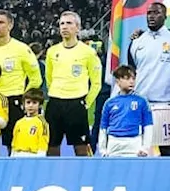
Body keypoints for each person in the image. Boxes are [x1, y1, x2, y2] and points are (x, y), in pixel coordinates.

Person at [127, 2, 170, 156]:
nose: (151, 16)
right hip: (141, 104)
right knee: (138, 149)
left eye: (156, 13)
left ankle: (168, 180)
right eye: (149, 13)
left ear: (165, 16)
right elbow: (132, 72)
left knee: (166, 150)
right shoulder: (137, 42)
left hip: (164, 105)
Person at [0, 9, 43, 152]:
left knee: (13, 144)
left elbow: (36, 79)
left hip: (13, 101)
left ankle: (15, 172)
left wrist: (24, 98)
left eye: (0, 22)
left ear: (10, 25)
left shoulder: (22, 49)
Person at [44, 11, 102, 157]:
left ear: (78, 28)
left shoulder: (88, 52)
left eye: (69, 23)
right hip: (55, 103)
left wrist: (86, 103)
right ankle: (53, 178)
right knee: (51, 145)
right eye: (62, 23)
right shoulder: (52, 51)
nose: (64, 27)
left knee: (81, 147)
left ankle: (86, 177)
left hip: (77, 104)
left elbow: (96, 83)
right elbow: (49, 78)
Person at [98, 65, 154, 157]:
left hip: (134, 143)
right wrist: (103, 150)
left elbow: (148, 126)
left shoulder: (142, 101)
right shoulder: (109, 103)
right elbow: (103, 128)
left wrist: (145, 148)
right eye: (127, 78)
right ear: (117, 81)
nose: (131, 81)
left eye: (133, 78)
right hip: (114, 143)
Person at [10, 88, 49, 157]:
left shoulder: (42, 123)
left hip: (34, 156)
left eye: (34, 103)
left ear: (40, 105)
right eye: (28, 102)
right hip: (18, 155)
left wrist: (40, 158)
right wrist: (12, 156)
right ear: (24, 104)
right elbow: (14, 143)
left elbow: (43, 143)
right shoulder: (19, 123)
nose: (31, 105)